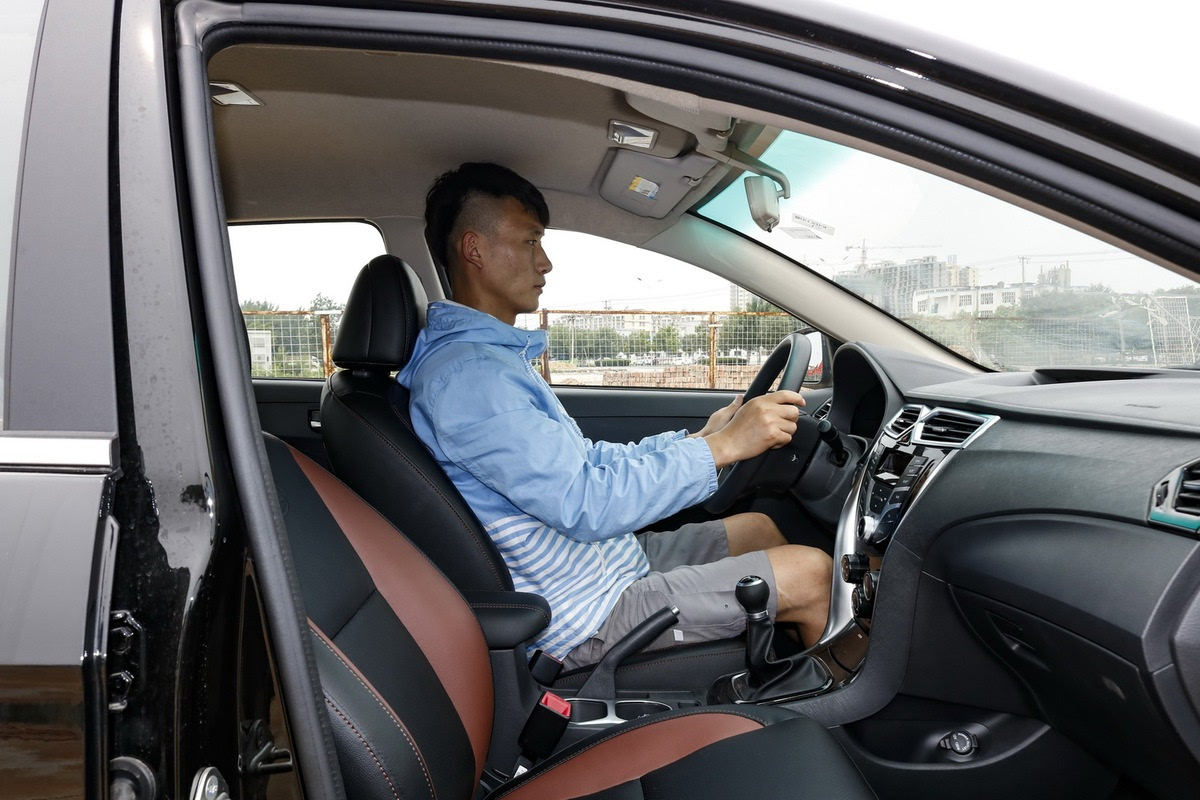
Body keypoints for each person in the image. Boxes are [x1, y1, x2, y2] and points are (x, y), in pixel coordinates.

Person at [398, 162, 832, 668]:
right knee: (813, 575)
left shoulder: (487, 361)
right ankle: (852, 708)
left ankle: (784, 680)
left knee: (756, 528)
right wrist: (724, 447)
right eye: (530, 241)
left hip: (600, 564)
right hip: (583, 615)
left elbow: (585, 463)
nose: (545, 263)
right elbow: (584, 502)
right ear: (474, 249)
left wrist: (701, 439)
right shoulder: (470, 379)